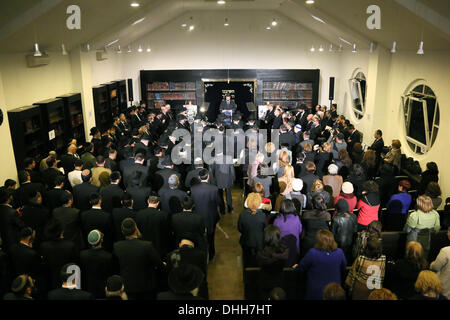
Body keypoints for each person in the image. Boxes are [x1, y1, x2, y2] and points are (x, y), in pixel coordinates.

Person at [113, 218, 165, 300]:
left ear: (122, 231)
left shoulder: (117, 247)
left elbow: (115, 267)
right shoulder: (147, 246)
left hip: (128, 287)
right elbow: (159, 265)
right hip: (147, 287)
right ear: (136, 228)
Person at [294, 230, 347, 300]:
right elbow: (344, 268)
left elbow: (301, 268)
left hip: (316, 293)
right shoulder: (339, 252)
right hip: (334, 293)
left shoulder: (312, 253)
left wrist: (296, 267)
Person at [190, 169, 220, 261]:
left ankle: (201, 255)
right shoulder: (214, 189)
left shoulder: (193, 189)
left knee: (199, 237)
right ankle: (211, 253)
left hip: (198, 216)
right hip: (211, 216)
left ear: (199, 177)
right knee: (211, 237)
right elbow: (217, 202)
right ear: (208, 177)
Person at [79, 230, 114, 299]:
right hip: (103, 291)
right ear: (101, 240)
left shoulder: (82, 255)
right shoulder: (108, 256)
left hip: (88, 289)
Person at [238, 193, 268, 267]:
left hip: (246, 241)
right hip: (259, 243)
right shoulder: (262, 216)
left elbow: (239, 228)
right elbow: (265, 229)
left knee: (247, 262)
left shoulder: (242, 215)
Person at [273, 200, 302, 266]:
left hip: (281, 251)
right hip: (294, 249)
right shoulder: (297, 219)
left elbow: (275, 235)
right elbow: (300, 231)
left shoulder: (277, 221)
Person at [430, 227, 450, 299]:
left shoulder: (446, 251)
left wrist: (432, 264)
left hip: (444, 291)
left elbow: (435, 267)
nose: (447, 233)